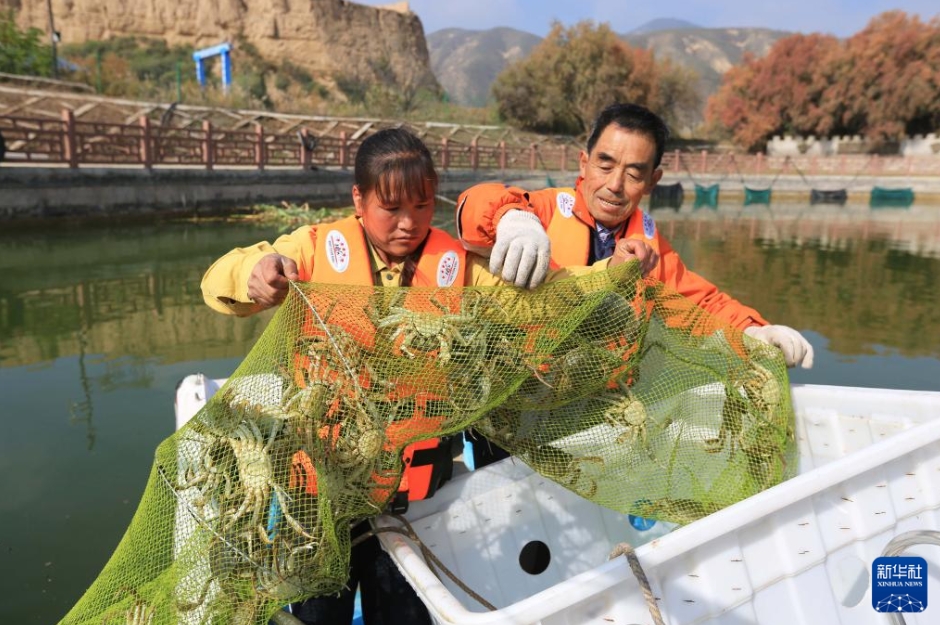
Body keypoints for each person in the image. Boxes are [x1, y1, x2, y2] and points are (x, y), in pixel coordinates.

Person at [201, 127, 654, 625]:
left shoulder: (456, 264)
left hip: (415, 490)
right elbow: (223, 274)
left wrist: (611, 270)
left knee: (404, 610)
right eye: (390, 208)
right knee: (318, 612)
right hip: (322, 485)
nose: (407, 223)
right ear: (359, 199)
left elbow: (544, 292)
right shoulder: (311, 249)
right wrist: (255, 274)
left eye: (420, 207)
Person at [456, 102, 814, 369]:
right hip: (518, 382)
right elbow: (474, 204)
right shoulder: (544, 210)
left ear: (652, 181)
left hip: (591, 397)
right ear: (584, 163)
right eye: (605, 164)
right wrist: (512, 218)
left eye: (633, 173)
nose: (614, 185)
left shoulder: (651, 245)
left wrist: (755, 332)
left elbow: (701, 305)